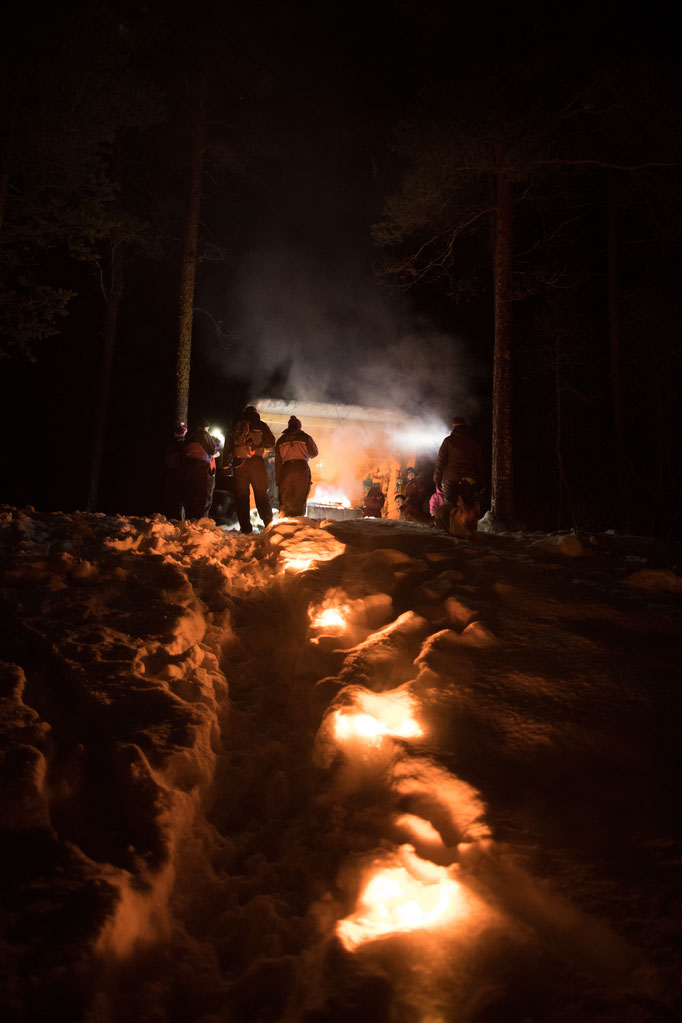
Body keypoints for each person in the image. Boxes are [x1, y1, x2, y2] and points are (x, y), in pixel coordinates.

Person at [231, 405, 275, 533]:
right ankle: (268, 525)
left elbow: (229, 443)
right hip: (256, 462)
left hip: (239, 463)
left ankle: (245, 528)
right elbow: (270, 442)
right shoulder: (260, 425)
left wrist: (226, 466)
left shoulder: (237, 425)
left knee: (241, 497)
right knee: (261, 493)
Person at [434, 416, 484, 509]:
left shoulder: (448, 441)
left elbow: (441, 462)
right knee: (467, 508)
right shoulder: (474, 442)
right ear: (465, 427)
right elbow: (479, 463)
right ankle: (466, 523)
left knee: (449, 508)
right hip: (469, 480)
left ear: (454, 427)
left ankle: (449, 523)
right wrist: (481, 482)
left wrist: (438, 479)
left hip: (451, 479)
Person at [275, 415, 318, 517]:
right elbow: (314, 453)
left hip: (286, 469)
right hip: (301, 469)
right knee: (300, 497)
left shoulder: (281, 440)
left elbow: (278, 462)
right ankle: (298, 522)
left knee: (286, 498)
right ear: (299, 426)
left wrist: (278, 480)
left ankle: (285, 522)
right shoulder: (305, 437)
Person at [184, 418, 221, 520]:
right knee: (204, 495)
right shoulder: (203, 434)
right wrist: (217, 442)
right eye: (208, 429)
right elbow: (213, 449)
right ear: (204, 427)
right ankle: (202, 520)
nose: (208, 431)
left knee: (192, 494)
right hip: (201, 466)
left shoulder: (190, 436)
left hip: (189, 465)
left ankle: (190, 519)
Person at [164, 420, 187, 519]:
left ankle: (173, 515)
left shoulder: (170, 442)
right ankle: (177, 517)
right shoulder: (180, 442)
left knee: (173, 495)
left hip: (171, 470)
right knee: (178, 496)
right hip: (178, 471)